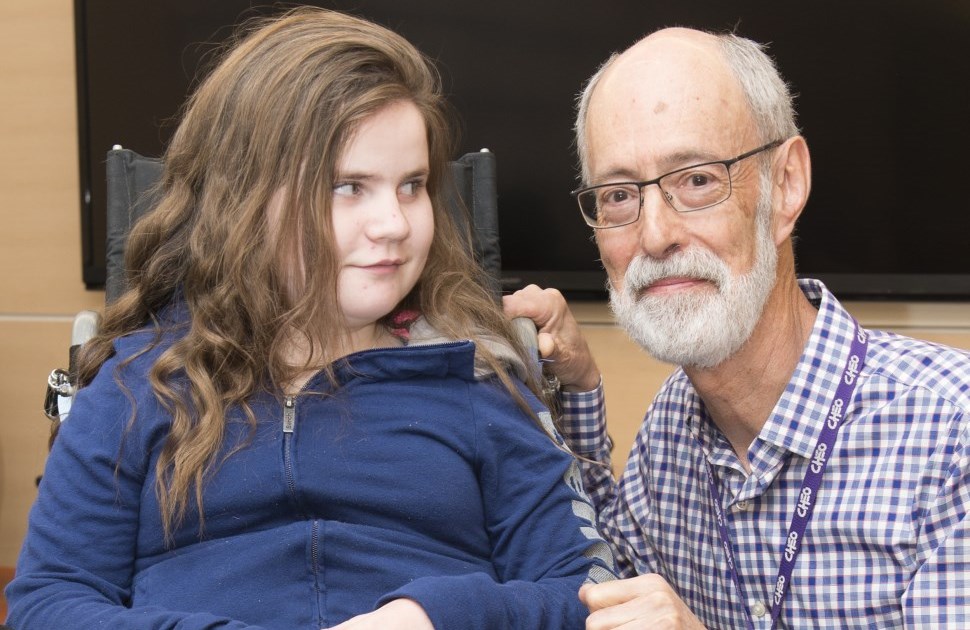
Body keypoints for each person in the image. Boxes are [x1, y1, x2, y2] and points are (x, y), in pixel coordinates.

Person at [5, 8, 616, 629]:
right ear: (243, 200)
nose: (395, 224)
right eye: (348, 186)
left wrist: (431, 616)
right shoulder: (134, 385)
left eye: (413, 185)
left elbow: (589, 595)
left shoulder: (478, 378)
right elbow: (46, 606)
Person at [505, 27, 970, 629]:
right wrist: (582, 388)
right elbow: (608, 576)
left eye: (697, 180)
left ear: (786, 185)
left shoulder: (951, 438)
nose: (653, 235)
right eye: (619, 195)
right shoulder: (671, 432)